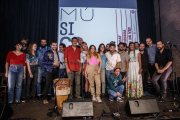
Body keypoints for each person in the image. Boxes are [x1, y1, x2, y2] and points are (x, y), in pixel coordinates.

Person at [20, 37, 28, 102]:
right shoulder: (18, 49)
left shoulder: (28, 50)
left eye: (24, 41)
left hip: (26, 68)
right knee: (18, 83)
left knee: (24, 83)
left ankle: (23, 96)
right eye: (22, 41)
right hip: (18, 67)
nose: (23, 42)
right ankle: (17, 97)